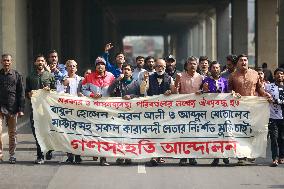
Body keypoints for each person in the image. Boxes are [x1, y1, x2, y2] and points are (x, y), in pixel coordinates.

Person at [228, 54, 271, 165]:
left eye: (245, 60)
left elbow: (260, 89)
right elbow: (229, 91)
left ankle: (251, 153)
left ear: (248, 62)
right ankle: (241, 156)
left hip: (253, 107)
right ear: (237, 63)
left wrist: (265, 94)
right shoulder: (233, 76)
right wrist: (233, 93)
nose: (244, 62)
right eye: (241, 60)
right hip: (238, 108)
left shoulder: (255, 74)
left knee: (252, 131)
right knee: (239, 131)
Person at [81, 56, 115, 166]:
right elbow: (83, 89)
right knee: (94, 132)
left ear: (105, 66)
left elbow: (115, 89)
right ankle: (95, 151)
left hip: (106, 110)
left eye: (102, 64)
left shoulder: (111, 76)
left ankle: (103, 157)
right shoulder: (89, 76)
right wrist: (92, 95)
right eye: (98, 64)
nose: (100, 66)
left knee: (104, 133)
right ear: (95, 66)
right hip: (93, 109)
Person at [140, 58, 174, 166]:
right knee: (153, 133)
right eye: (158, 66)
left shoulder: (170, 78)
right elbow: (142, 91)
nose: (161, 68)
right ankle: (153, 155)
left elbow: (175, 93)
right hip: (152, 111)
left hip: (165, 111)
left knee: (163, 134)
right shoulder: (149, 77)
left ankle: (160, 155)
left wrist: (171, 92)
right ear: (155, 67)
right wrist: (145, 81)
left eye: (163, 66)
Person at [109, 63, 141, 165]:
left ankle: (128, 155)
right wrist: (117, 80)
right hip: (119, 113)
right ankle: (120, 155)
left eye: (128, 69)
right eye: (124, 69)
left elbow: (140, 96)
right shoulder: (118, 82)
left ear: (131, 72)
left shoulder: (136, 83)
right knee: (119, 135)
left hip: (131, 113)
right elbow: (110, 91)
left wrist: (131, 96)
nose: (126, 71)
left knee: (129, 136)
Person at [26, 54, 55, 164]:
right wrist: (30, 94)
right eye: (38, 61)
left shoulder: (50, 75)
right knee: (37, 133)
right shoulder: (30, 77)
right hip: (35, 109)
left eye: (42, 61)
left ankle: (49, 149)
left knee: (48, 132)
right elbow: (27, 92)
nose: (40, 62)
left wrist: (49, 90)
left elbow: (55, 92)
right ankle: (40, 156)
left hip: (47, 109)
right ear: (35, 63)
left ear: (44, 63)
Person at [174, 56, 203, 166]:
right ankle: (182, 157)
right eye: (190, 63)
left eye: (194, 64)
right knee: (183, 134)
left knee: (194, 134)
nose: (192, 65)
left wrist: (202, 91)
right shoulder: (180, 76)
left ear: (197, 65)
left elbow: (204, 92)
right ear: (186, 65)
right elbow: (175, 92)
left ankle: (192, 156)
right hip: (183, 109)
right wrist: (176, 81)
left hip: (196, 110)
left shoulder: (200, 77)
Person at [201, 61, 230, 166]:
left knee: (225, 134)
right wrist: (203, 91)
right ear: (210, 69)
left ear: (220, 69)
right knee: (214, 135)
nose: (216, 69)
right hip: (211, 113)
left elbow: (228, 94)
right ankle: (216, 157)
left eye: (217, 68)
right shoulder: (206, 81)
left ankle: (225, 155)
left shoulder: (225, 81)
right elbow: (201, 95)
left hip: (223, 112)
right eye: (213, 68)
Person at [0, 54, 25, 164]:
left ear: (11, 61)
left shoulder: (16, 75)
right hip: (0, 107)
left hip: (13, 108)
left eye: (8, 60)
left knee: (12, 133)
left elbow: (21, 93)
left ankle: (12, 154)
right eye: (4, 60)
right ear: (1, 62)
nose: (6, 62)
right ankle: (0, 154)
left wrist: (21, 108)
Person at [58, 60, 83, 163]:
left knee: (78, 133)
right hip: (66, 110)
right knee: (68, 134)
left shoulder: (81, 80)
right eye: (69, 66)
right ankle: (70, 155)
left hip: (78, 111)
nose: (72, 68)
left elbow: (84, 91)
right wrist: (64, 86)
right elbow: (58, 94)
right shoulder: (61, 80)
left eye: (74, 66)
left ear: (76, 68)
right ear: (66, 68)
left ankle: (78, 155)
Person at [265, 68, 284, 167]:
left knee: (282, 138)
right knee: (274, 139)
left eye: (281, 74)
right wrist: (266, 96)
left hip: (283, 117)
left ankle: (281, 156)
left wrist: (276, 101)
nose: (279, 76)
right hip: (272, 117)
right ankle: (274, 158)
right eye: (277, 74)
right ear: (274, 75)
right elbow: (261, 92)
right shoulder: (269, 86)